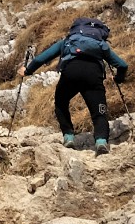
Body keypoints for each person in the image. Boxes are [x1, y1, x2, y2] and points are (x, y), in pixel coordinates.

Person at [24, 19, 129, 154]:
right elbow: (123, 65)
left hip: (71, 73)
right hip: (93, 75)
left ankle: (68, 137)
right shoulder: (101, 45)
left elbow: (40, 59)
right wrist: (118, 78)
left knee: (61, 103)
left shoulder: (67, 41)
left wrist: (27, 71)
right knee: (99, 111)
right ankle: (101, 142)